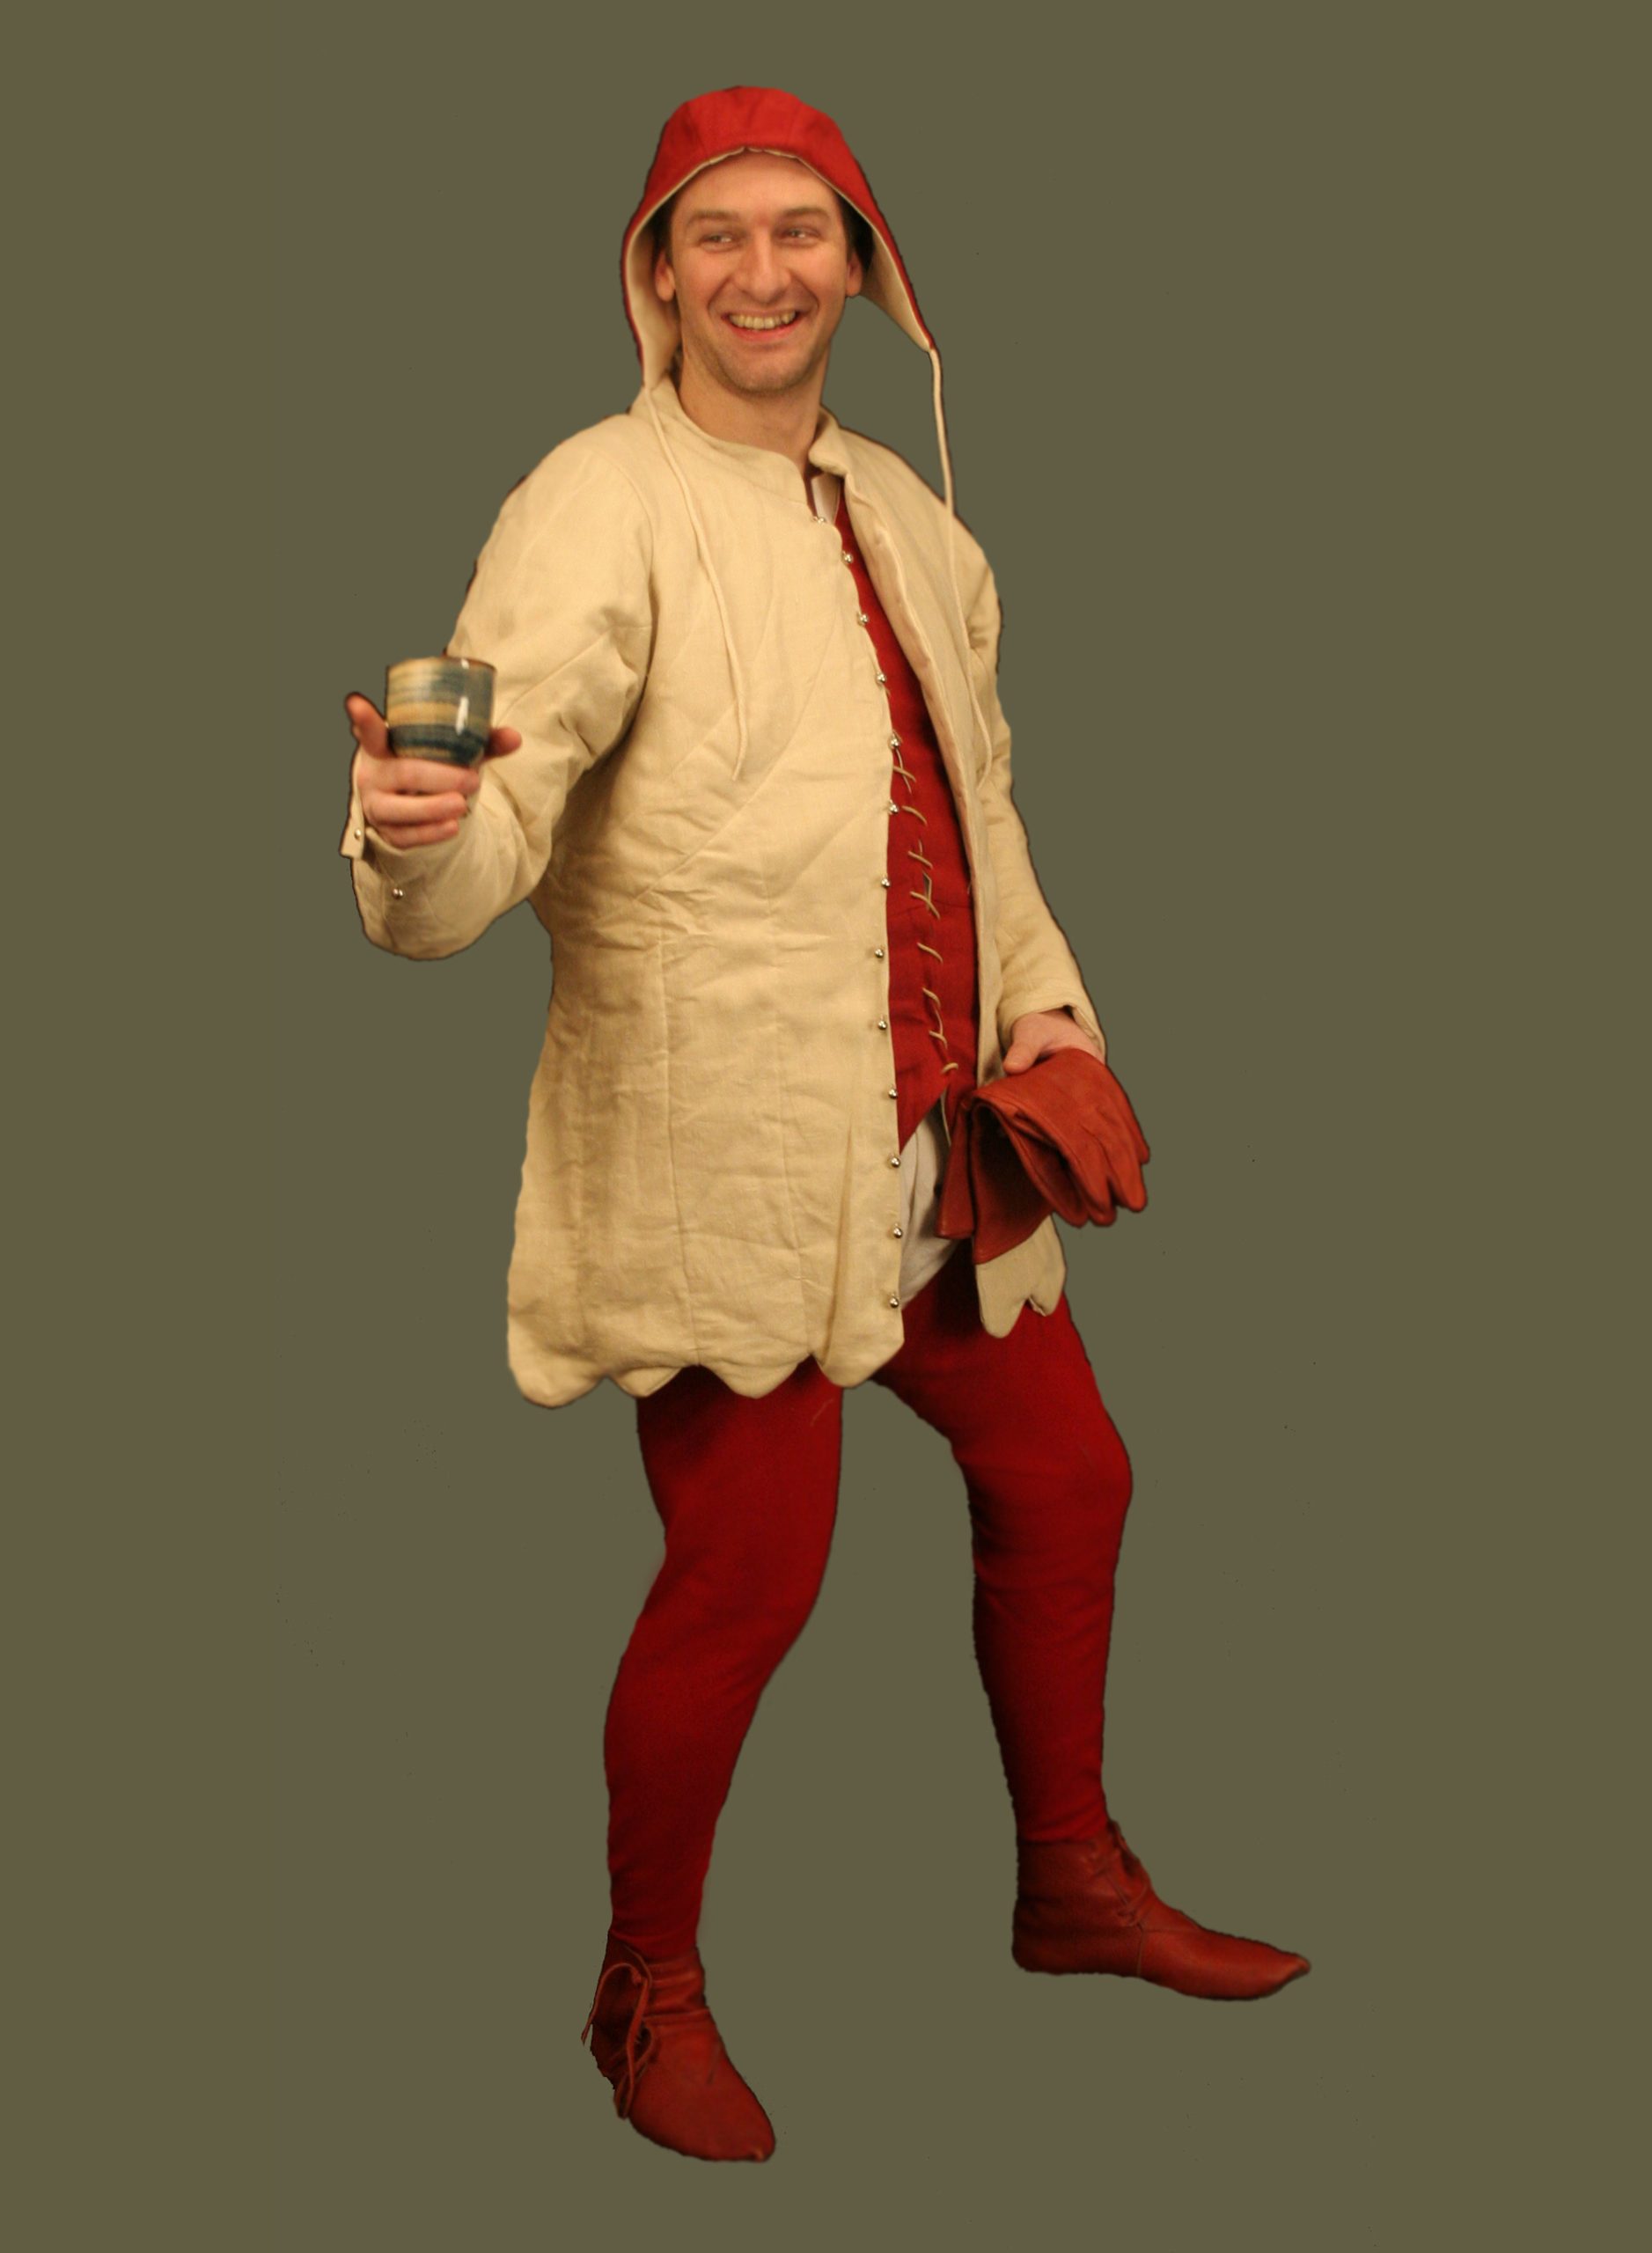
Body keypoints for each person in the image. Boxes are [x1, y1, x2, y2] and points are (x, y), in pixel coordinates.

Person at [340, 84, 1310, 2166]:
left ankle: (1072, 1881)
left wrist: (1049, 1015)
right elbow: (495, 818)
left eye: (805, 232)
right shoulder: (595, 500)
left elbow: (987, 811)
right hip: (726, 1145)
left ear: (863, 266)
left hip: (937, 1140)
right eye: (720, 235)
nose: (764, 272)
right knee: (748, 1575)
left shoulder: (915, 520)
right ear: (659, 273)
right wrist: (418, 832)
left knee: (1073, 1472)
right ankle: (643, 1988)